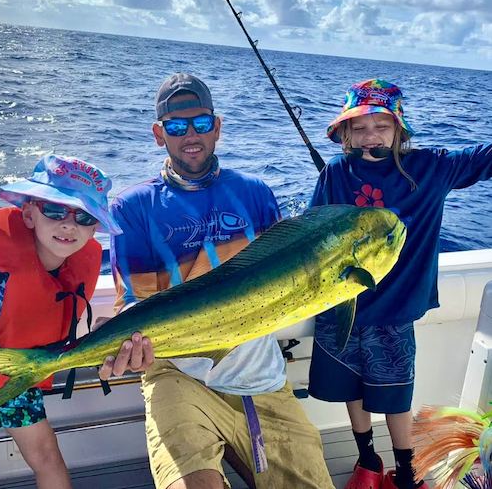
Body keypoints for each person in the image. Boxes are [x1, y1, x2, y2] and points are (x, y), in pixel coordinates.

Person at [105, 73, 334, 489]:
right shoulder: (132, 207)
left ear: (217, 126)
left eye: (200, 123)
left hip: (260, 374)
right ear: (159, 134)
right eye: (175, 126)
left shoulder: (255, 193)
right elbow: (136, 303)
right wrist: (123, 348)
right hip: (176, 372)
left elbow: (285, 280)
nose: (189, 135)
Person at [307, 78, 492, 489]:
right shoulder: (336, 172)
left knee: (394, 397)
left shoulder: (430, 168)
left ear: (399, 128)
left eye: (381, 125)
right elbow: (309, 235)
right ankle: (367, 461)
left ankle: (405, 471)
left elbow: (484, 157)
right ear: (346, 132)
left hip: (394, 312)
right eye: (360, 126)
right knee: (351, 391)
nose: (370, 135)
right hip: (342, 307)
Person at [0, 154, 122, 489]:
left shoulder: (69, 276)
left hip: (16, 381)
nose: (68, 224)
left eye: (84, 216)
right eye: (55, 210)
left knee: (47, 455)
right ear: (29, 214)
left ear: (96, 227)